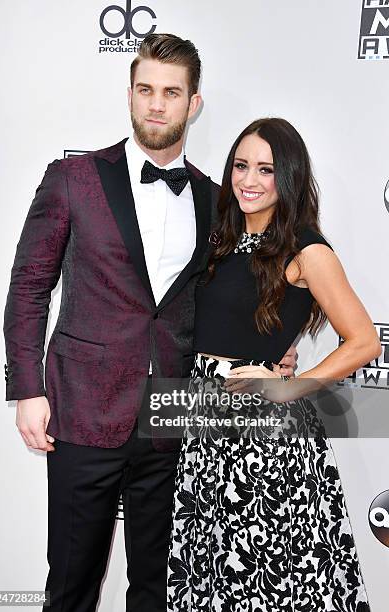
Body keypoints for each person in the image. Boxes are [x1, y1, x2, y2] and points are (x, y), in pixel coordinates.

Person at [3, 36, 297, 612]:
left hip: (172, 420)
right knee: (70, 586)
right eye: (145, 91)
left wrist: (272, 349)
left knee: (159, 593)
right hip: (81, 414)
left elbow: (230, 299)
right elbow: (29, 286)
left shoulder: (219, 201)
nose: (156, 105)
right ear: (131, 95)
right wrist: (28, 390)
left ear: (194, 104)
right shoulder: (74, 178)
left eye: (171, 93)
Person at [167, 118, 381, 611]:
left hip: (266, 443)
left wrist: (287, 387)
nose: (248, 180)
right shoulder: (223, 238)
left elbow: (365, 340)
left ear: (288, 177)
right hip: (204, 425)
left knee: (271, 579)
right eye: (241, 166)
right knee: (214, 571)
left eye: (265, 169)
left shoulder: (307, 249)